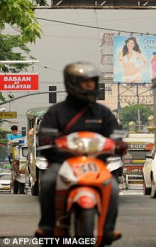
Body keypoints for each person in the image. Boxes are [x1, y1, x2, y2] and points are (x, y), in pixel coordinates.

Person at [35, 62, 128, 243]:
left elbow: (116, 135)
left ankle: (108, 230)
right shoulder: (55, 112)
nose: (90, 86)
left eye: (92, 82)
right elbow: (44, 136)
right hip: (62, 164)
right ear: (72, 83)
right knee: (48, 181)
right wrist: (49, 142)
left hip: (95, 164)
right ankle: (46, 227)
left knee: (113, 187)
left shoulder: (104, 112)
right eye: (85, 82)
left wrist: (119, 144)